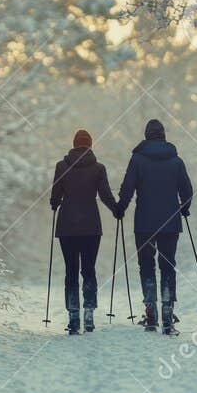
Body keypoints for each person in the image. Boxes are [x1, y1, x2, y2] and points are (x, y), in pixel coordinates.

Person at [115, 119, 193, 335]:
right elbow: (187, 190)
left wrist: (120, 207)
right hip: (170, 223)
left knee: (146, 265)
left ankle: (151, 314)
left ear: (147, 135)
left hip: (144, 223)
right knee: (168, 266)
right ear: (163, 135)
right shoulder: (176, 161)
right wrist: (184, 208)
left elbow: (127, 187)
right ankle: (168, 317)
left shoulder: (138, 159)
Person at [50, 129, 121, 335]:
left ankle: (73, 317)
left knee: (71, 271)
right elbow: (106, 195)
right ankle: (89, 314)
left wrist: (55, 204)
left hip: (67, 227)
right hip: (91, 226)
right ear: (90, 145)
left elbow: (55, 196)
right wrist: (117, 209)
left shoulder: (61, 166)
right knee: (88, 270)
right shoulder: (98, 168)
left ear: (74, 145)